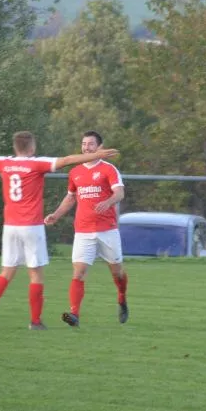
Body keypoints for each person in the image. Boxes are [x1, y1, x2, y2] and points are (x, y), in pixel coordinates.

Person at [0, 131, 118, 330]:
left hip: (10, 227)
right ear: (32, 147)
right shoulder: (37, 164)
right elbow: (67, 160)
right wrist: (97, 155)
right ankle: (35, 321)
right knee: (36, 275)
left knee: (6, 272)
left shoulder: (4, 163)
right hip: (32, 226)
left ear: (15, 147)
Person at [45, 130, 127, 328]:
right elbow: (71, 197)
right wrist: (56, 214)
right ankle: (74, 314)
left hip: (107, 230)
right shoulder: (75, 172)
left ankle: (122, 297)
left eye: (90, 144)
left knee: (117, 273)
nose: (86, 148)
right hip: (83, 231)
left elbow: (119, 193)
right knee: (79, 273)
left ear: (99, 147)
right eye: (84, 144)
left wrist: (108, 202)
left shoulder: (108, 169)